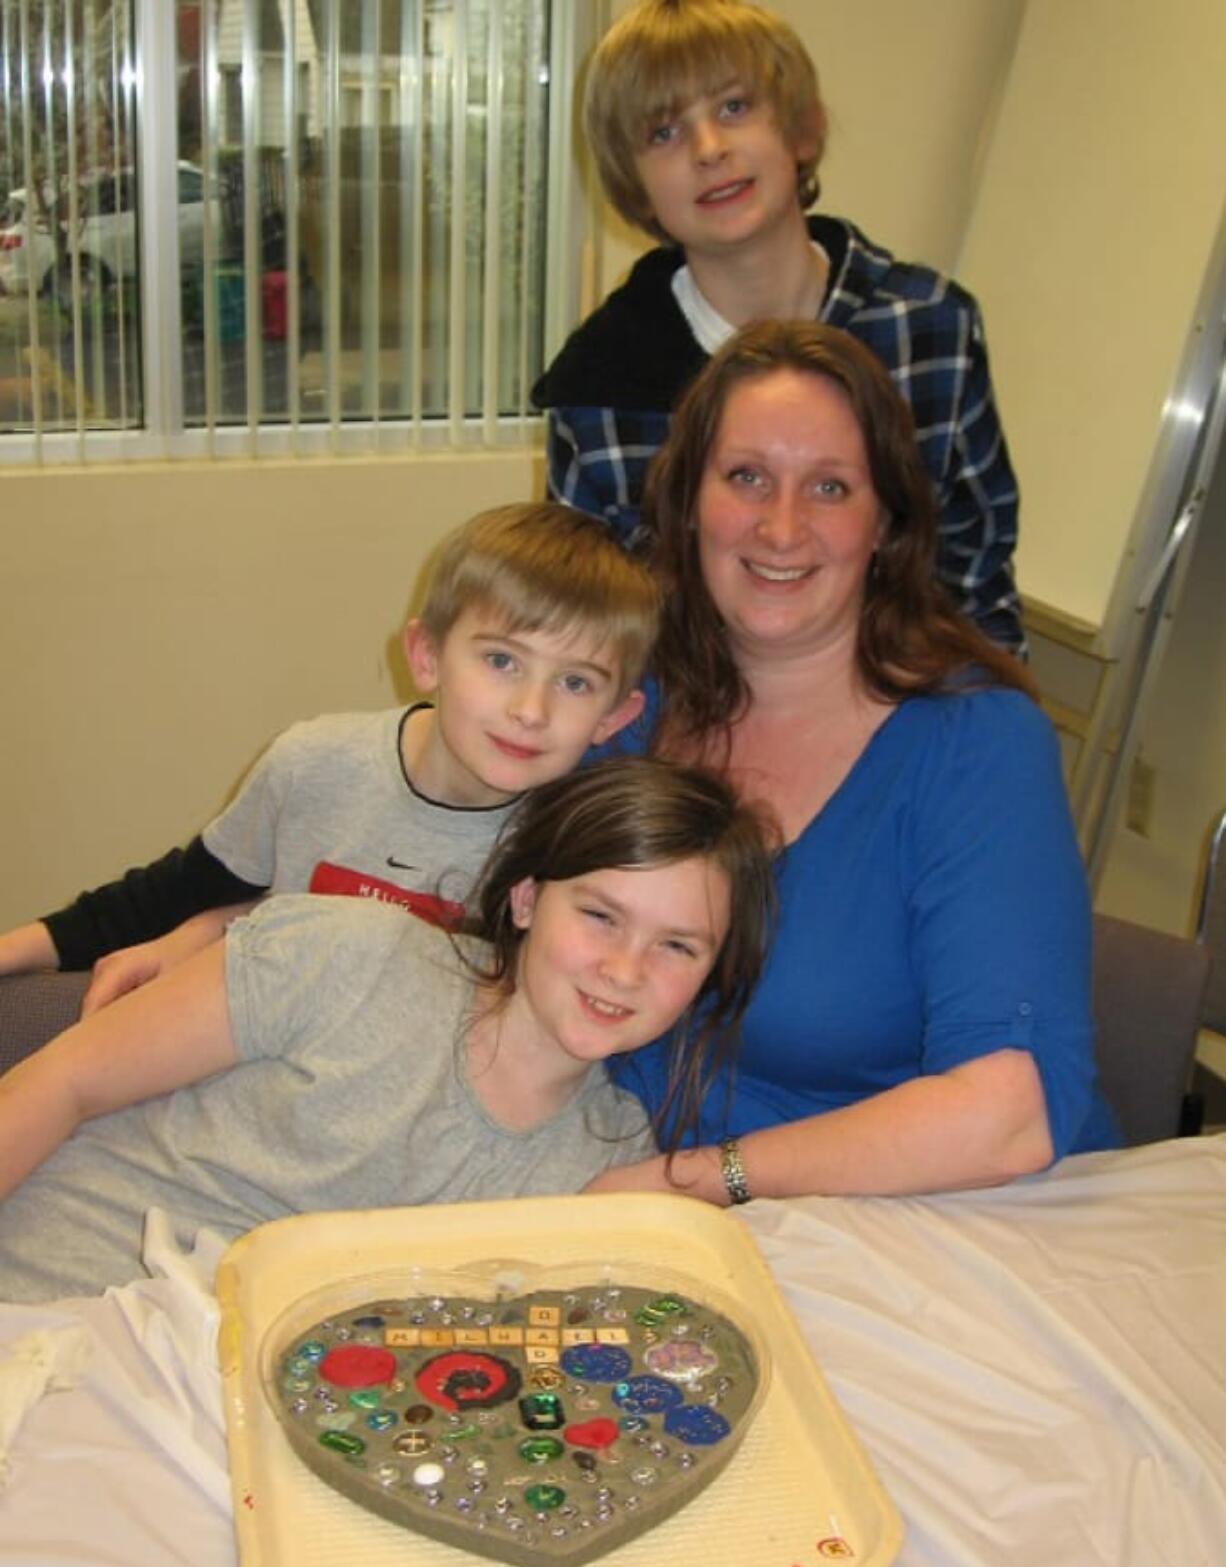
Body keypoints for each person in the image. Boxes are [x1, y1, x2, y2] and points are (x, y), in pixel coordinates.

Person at [583, 319, 1117, 1206]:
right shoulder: (624, 705)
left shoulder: (976, 745)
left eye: (829, 486)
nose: (781, 526)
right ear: (688, 502)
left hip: (920, 1223)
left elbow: (1012, 1110)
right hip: (644, 1202)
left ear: (886, 525)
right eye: (746, 476)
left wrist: (702, 1178)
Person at [0, 758, 776, 1302]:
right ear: (529, 899)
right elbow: (64, 1081)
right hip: (41, 1295)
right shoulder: (352, 956)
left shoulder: (604, 1168)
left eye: (677, 945)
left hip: (204, 1420)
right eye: (601, 915)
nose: (625, 967)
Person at [0, 502, 658, 1011]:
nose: (531, 709)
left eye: (575, 682)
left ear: (615, 716)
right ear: (426, 656)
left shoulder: (576, 844)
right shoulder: (313, 765)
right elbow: (168, 894)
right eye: (501, 660)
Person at [532, 0, 1025, 654]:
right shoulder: (596, 390)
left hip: (899, 708)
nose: (710, 150)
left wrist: (998, 729)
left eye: (734, 107)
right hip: (687, 726)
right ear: (635, 188)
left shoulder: (930, 328)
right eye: (664, 133)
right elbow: (584, 626)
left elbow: (974, 571)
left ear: (800, 131)